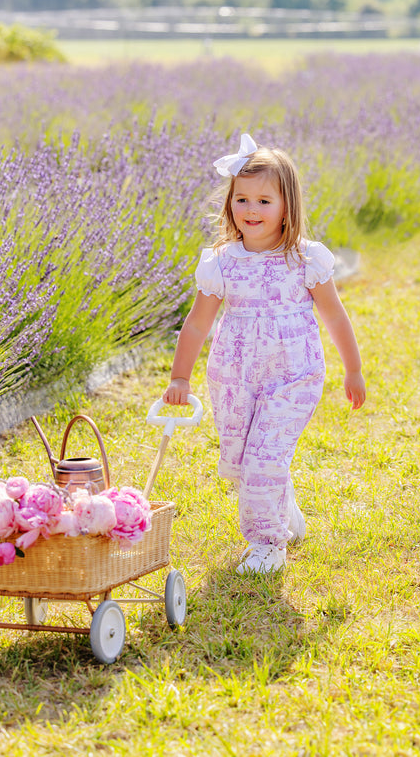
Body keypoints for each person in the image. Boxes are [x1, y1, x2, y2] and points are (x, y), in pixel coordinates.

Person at [163, 133, 366, 574]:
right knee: (243, 460)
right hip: (234, 377)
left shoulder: (305, 260)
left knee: (264, 458)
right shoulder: (221, 262)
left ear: (287, 207)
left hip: (293, 375)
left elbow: (334, 315)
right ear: (229, 203)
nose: (251, 210)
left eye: (263, 201)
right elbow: (198, 322)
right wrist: (180, 376)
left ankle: (268, 544)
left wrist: (353, 369)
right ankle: (284, 510)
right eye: (242, 199)